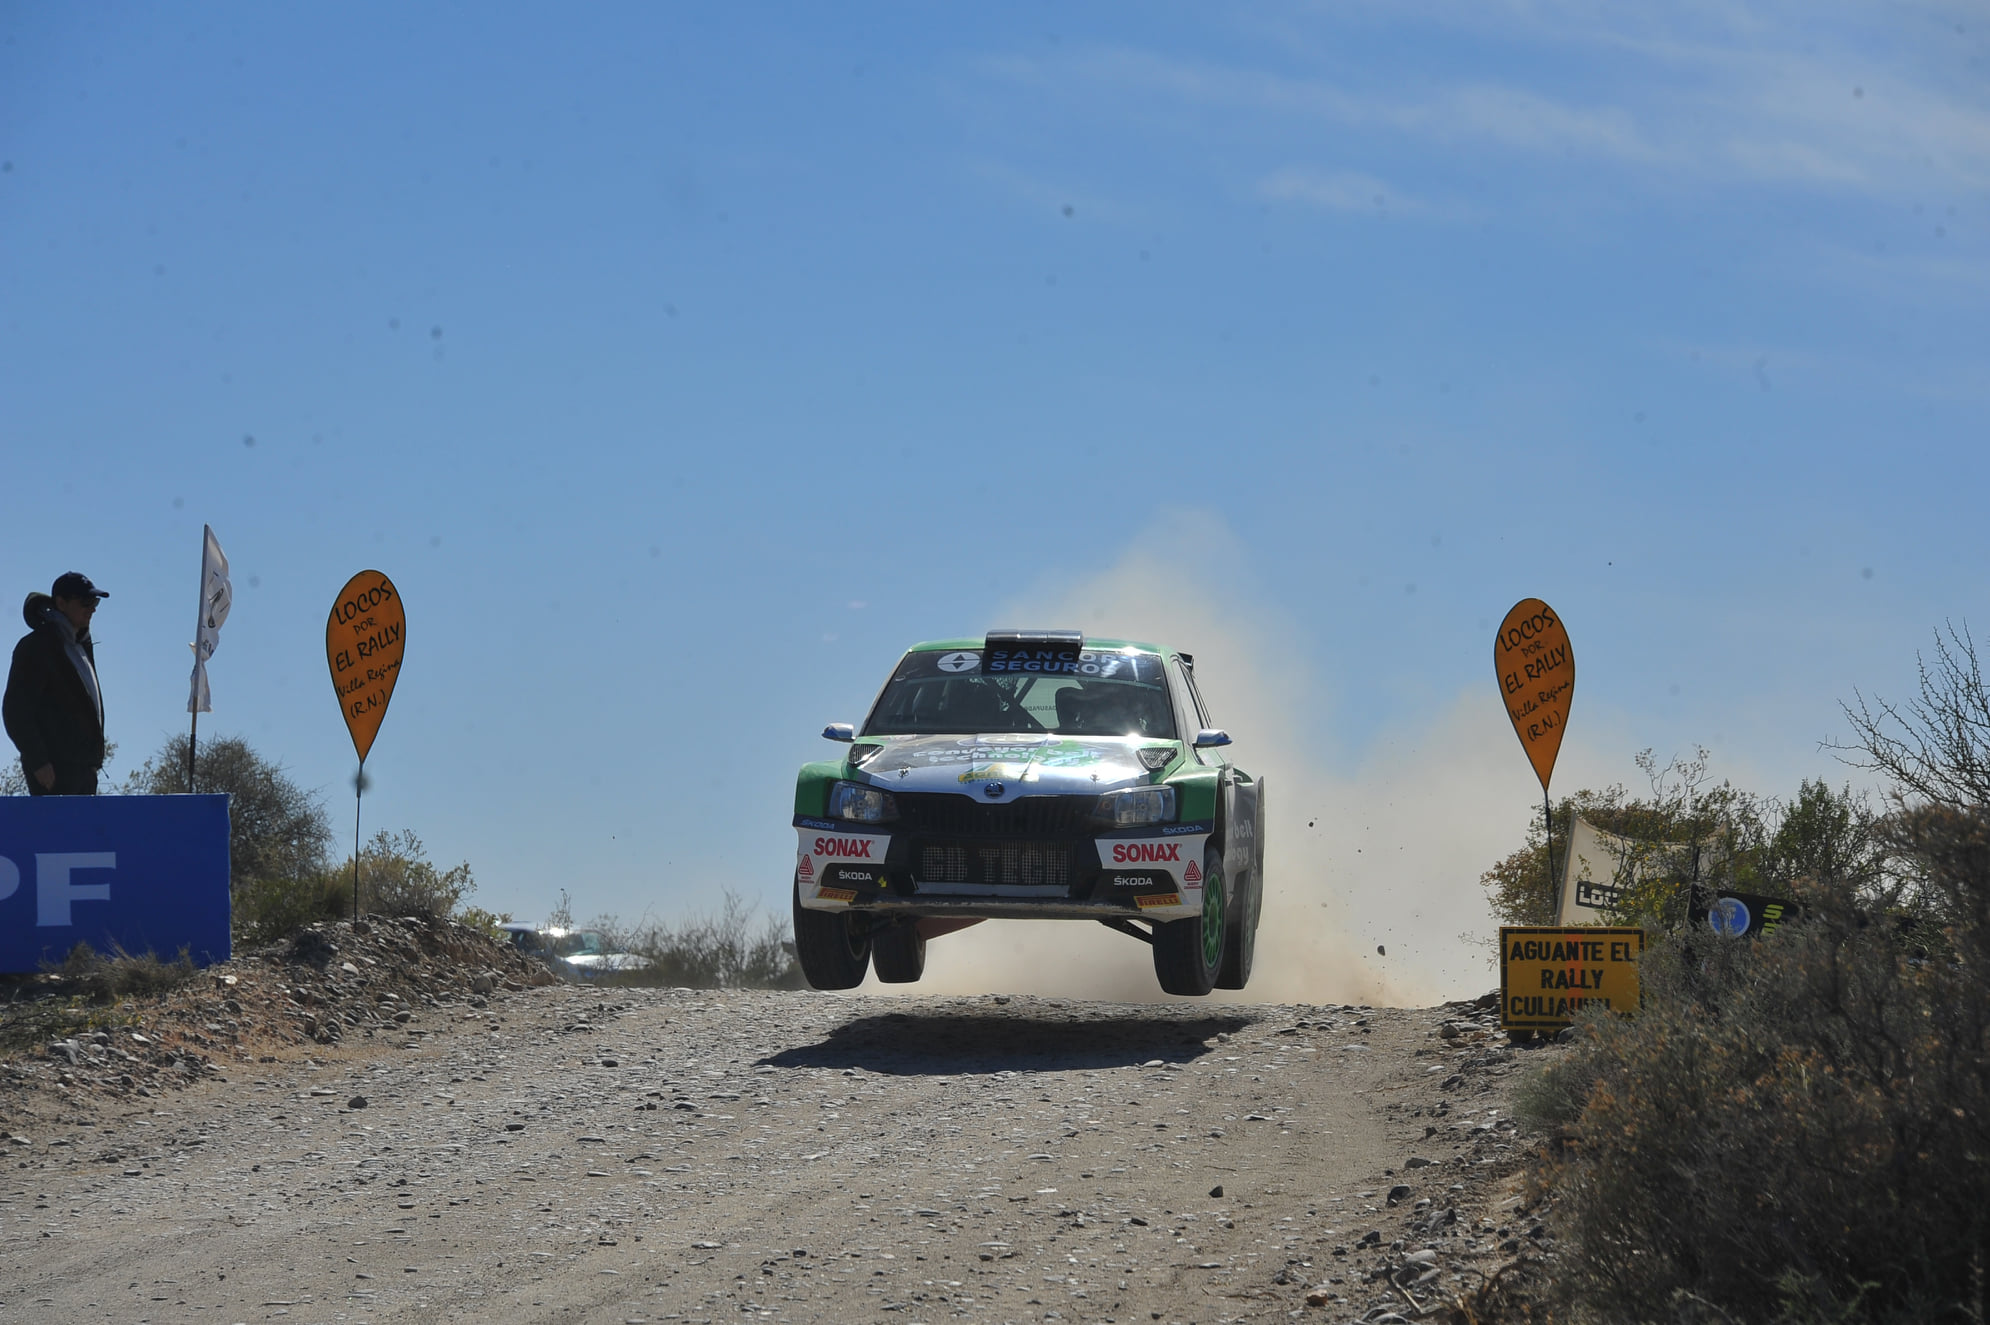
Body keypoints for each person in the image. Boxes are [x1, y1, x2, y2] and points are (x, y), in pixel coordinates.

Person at [4, 572, 110, 796]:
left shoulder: (80, 645)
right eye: (86, 602)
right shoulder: (36, 646)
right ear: (61, 603)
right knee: (57, 831)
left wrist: (92, 764)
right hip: (54, 774)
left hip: (84, 773)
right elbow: (15, 710)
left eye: (95, 601)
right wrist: (39, 762)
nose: (93, 608)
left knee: (83, 831)